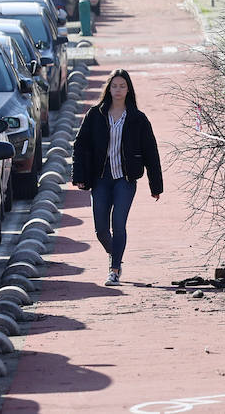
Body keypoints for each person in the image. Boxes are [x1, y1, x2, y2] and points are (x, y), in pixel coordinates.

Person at [71, 69, 163, 286]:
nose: (118, 90)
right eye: (114, 86)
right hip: (100, 179)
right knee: (101, 229)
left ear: (128, 89)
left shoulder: (138, 119)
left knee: (119, 224)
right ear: (108, 88)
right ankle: (115, 255)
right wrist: (79, 175)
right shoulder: (95, 115)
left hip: (125, 180)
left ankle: (114, 270)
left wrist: (155, 186)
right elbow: (80, 145)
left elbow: (151, 152)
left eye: (122, 86)